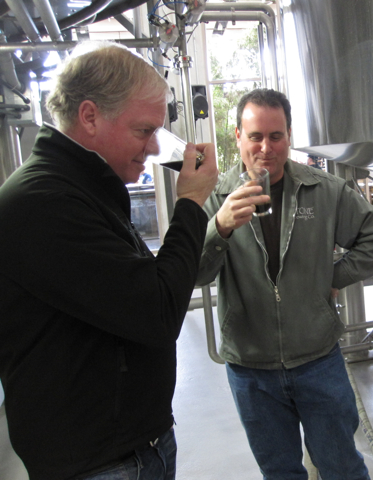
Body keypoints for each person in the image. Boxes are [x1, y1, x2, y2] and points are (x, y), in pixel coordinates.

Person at [0, 42, 218, 480]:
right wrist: (192, 204)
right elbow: (157, 312)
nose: (154, 147)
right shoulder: (46, 202)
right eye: (143, 131)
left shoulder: (83, 188)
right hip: (100, 463)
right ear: (89, 116)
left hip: (131, 447)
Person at [196, 88, 373, 479]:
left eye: (276, 136)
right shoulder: (214, 199)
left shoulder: (324, 190)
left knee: (341, 466)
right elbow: (195, 273)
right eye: (255, 136)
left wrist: (331, 277)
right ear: (238, 136)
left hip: (317, 359)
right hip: (251, 368)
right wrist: (218, 227)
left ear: (289, 136)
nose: (266, 148)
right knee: (280, 471)